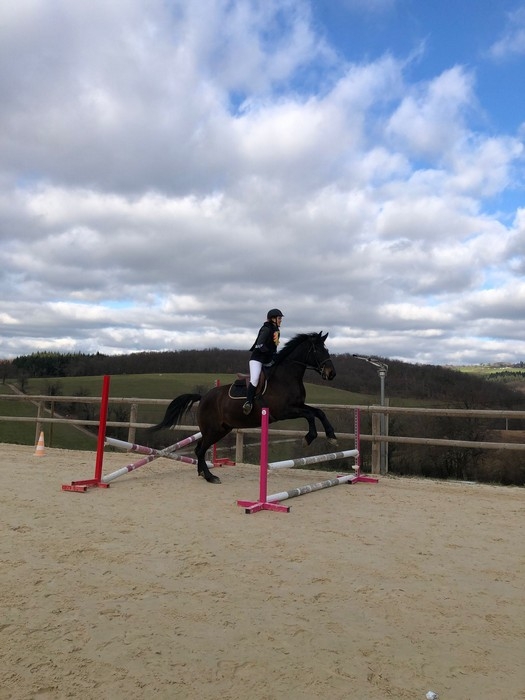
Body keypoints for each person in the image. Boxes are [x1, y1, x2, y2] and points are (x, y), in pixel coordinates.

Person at [243, 309, 284, 415]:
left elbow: (273, 347)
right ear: (273, 319)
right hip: (257, 359)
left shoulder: (276, 330)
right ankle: (248, 402)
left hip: (267, 359)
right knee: (255, 379)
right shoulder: (266, 329)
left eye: (280, 319)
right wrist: (271, 354)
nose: (280, 320)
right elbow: (260, 345)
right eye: (279, 318)